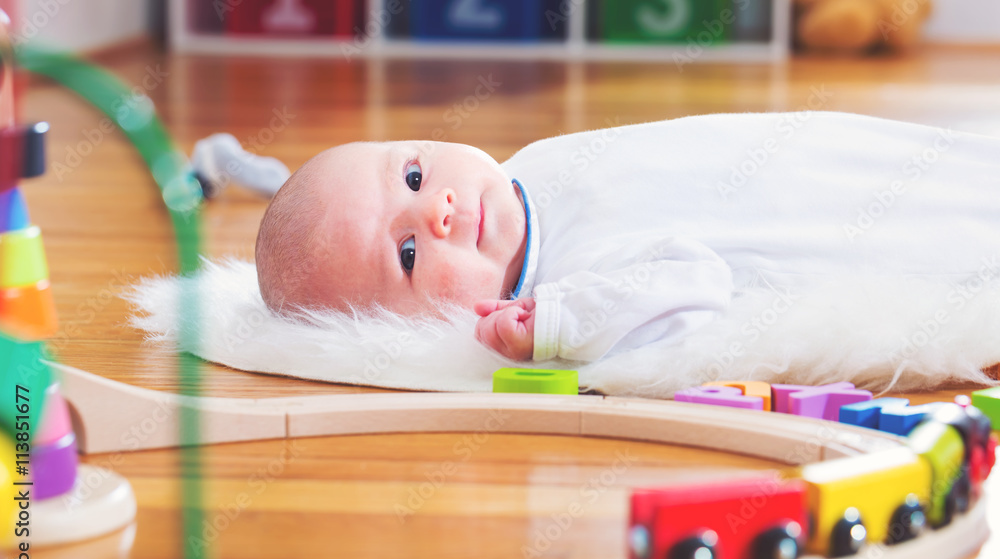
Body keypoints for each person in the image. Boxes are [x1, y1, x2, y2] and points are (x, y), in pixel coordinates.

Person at [253, 111, 1000, 363]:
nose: (438, 211)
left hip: (813, 164)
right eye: (409, 254)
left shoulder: (535, 166)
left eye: (413, 176)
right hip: (832, 234)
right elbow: (692, 291)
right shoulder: (564, 278)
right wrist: (556, 325)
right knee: (945, 236)